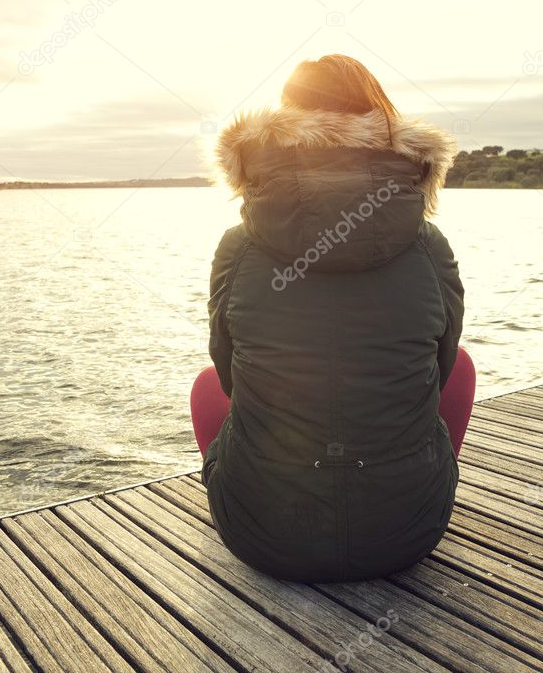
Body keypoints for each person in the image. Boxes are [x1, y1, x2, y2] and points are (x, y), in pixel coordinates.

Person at [191, 54, 473, 582]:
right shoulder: (427, 245)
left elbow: (229, 372)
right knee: (462, 366)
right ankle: (411, 488)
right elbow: (440, 361)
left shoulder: (240, 247)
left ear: (282, 127)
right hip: (407, 535)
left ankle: (253, 490)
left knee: (208, 386)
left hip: (263, 539)